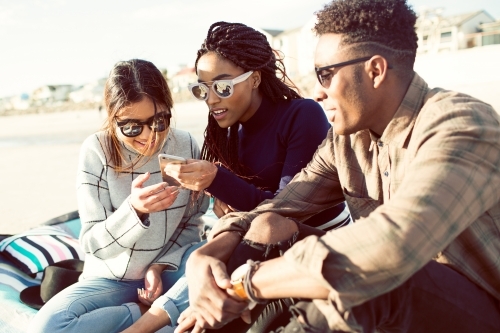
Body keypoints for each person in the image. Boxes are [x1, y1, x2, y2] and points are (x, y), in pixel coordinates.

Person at [177, 1, 500, 332]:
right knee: (270, 227)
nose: (317, 92)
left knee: (369, 284)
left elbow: (391, 245)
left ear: (375, 70)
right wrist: (206, 255)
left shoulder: (460, 124)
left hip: (481, 308)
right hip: (396, 292)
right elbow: (281, 204)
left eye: (326, 75)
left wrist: (249, 282)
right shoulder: (348, 139)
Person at [122, 22, 351, 333]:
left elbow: (286, 208)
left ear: (255, 78)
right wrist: (222, 200)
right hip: (257, 244)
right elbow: (250, 206)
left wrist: (217, 180)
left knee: (244, 242)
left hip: (314, 240)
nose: (212, 99)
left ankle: (167, 323)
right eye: (202, 89)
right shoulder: (227, 133)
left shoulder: (302, 115)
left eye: (223, 86)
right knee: (213, 255)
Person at [28, 59, 209, 333]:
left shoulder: (184, 143)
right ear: (113, 119)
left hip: (169, 273)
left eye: (159, 121)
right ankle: (150, 314)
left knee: (213, 257)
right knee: (46, 326)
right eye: (133, 127)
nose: (149, 136)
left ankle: (155, 316)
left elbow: (192, 223)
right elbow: (92, 244)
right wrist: (133, 212)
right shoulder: (96, 151)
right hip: (111, 280)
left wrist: (159, 266)